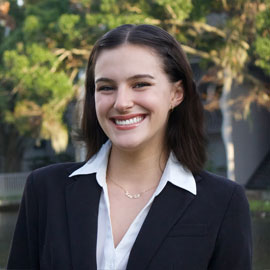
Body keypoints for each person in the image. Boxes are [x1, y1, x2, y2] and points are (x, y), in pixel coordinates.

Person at [7, 24, 252, 270]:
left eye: (140, 84)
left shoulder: (223, 202)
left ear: (176, 94)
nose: (122, 103)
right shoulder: (45, 190)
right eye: (106, 87)